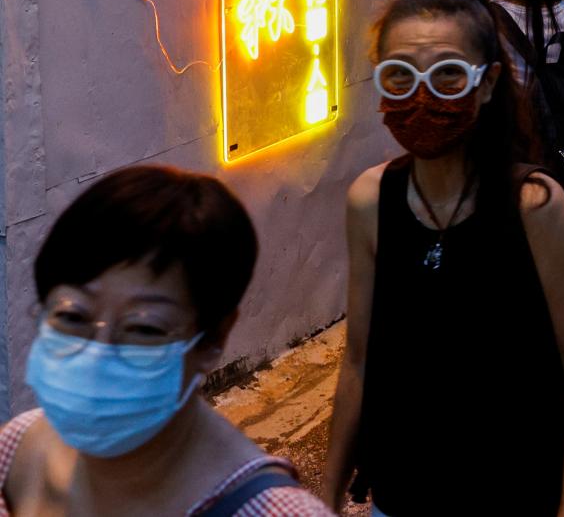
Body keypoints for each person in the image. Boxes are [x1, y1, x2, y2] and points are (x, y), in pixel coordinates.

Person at [323, 0, 564, 516]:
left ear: (487, 84)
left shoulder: (535, 206)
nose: (422, 95)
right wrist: (325, 495)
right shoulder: (370, 200)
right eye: (400, 76)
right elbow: (360, 360)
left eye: (448, 74)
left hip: (519, 490)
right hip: (405, 491)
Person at [4, 165, 333, 516]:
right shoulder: (15, 449)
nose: (96, 356)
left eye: (144, 329)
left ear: (212, 340)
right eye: (72, 316)